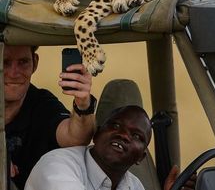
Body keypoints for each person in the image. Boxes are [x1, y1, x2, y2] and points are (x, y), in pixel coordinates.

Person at [24, 105, 194, 190]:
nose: (123, 136)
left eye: (136, 136)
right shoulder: (57, 165)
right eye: (116, 126)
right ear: (96, 134)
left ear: (140, 158)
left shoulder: (133, 185)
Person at [4, 45, 96, 190]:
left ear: (35, 63)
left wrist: (83, 103)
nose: (14, 73)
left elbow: (75, 138)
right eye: (4, 62)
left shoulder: (41, 103)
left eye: (23, 62)